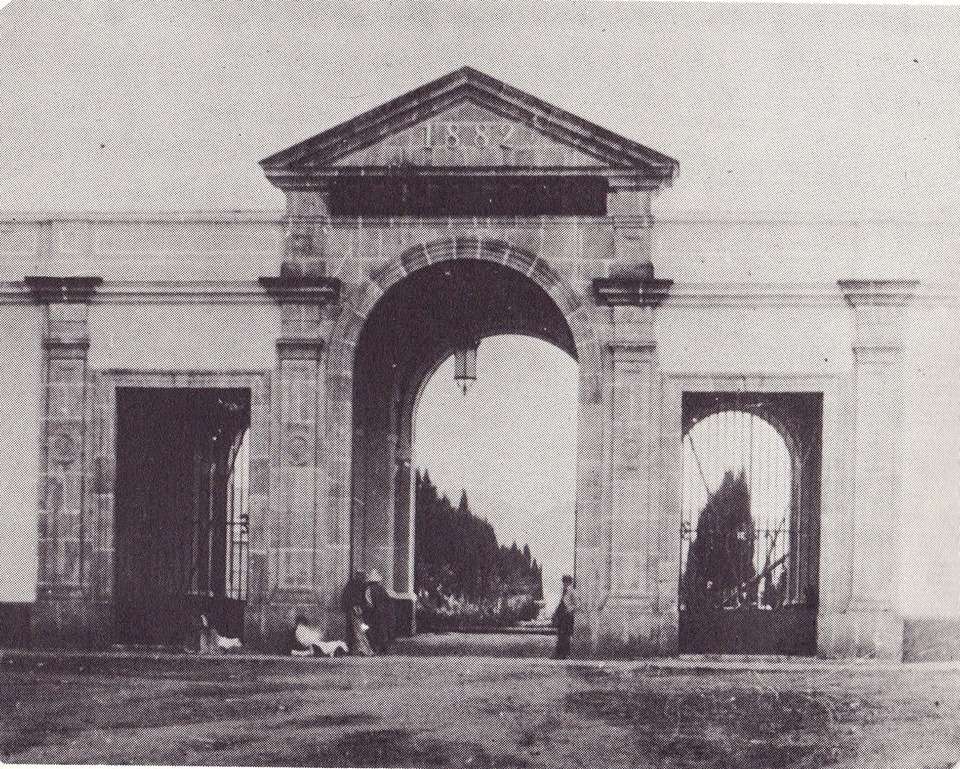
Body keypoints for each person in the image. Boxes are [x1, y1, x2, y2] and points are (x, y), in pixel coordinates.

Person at [340, 570, 374, 656]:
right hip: (356, 611)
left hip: (356, 611)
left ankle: (360, 649)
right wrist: (357, 607)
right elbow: (356, 598)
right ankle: (362, 649)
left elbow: (347, 597)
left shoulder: (354, 585)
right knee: (359, 630)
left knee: (358, 630)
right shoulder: (358, 585)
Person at [364, 568, 394, 655]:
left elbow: (369, 602)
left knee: (373, 630)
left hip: (373, 612)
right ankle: (384, 648)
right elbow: (388, 600)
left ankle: (375, 648)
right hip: (383, 612)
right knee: (382, 630)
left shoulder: (368, 589)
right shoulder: (382, 589)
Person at [552, 575, 576, 660]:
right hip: (562, 615)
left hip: (568, 616)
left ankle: (564, 654)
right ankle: (559, 653)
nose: (564, 584)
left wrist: (569, 609)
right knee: (560, 634)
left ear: (569, 582)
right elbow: (561, 602)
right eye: (564, 582)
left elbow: (577, 604)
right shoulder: (564, 591)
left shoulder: (572, 591)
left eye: (566, 582)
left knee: (565, 635)